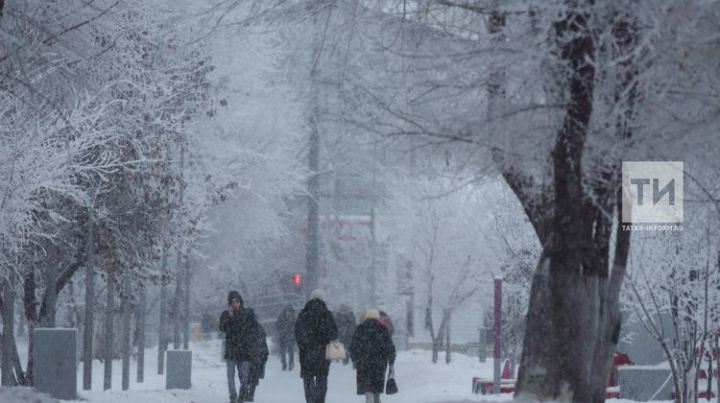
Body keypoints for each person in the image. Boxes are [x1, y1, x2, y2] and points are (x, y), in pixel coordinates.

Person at [295, 289, 338, 403]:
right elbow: (334, 333)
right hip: (322, 352)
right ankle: (320, 400)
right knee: (322, 377)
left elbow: (297, 332)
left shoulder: (304, 313)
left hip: (306, 352)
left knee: (308, 378)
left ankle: (310, 400)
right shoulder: (327, 314)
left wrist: (304, 344)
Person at [351, 309, 396, 403]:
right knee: (377, 384)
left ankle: (369, 397)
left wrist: (355, 358)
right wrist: (391, 359)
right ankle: (376, 399)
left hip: (364, 362)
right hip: (379, 363)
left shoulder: (360, 329)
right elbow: (389, 346)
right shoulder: (383, 329)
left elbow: (353, 346)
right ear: (377, 317)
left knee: (366, 383)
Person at [219, 290, 251, 403]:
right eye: (232, 301)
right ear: (230, 303)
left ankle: (243, 394)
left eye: (237, 301)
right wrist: (230, 316)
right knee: (230, 375)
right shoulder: (225, 314)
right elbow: (222, 328)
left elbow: (245, 328)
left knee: (243, 375)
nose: (235, 303)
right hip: (231, 350)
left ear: (240, 301)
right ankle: (232, 396)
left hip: (243, 350)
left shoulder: (245, 314)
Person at [244, 308, 268, 402]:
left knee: (245, 375)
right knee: (254, 376)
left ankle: (246, 392)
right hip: (256, 356)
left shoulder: (243, 326)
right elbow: (263, 341)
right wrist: (264, 354)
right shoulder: (258, 327)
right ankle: (251, 394)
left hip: (246, 355)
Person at [276, 304, 296, 371]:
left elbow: (277, 326)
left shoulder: (282, 317)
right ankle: (287, 364)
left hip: (286, 336)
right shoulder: (292, 317)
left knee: (287, 351)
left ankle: (287, 364)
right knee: (288, 351)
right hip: (286, 336)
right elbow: (278, 326)